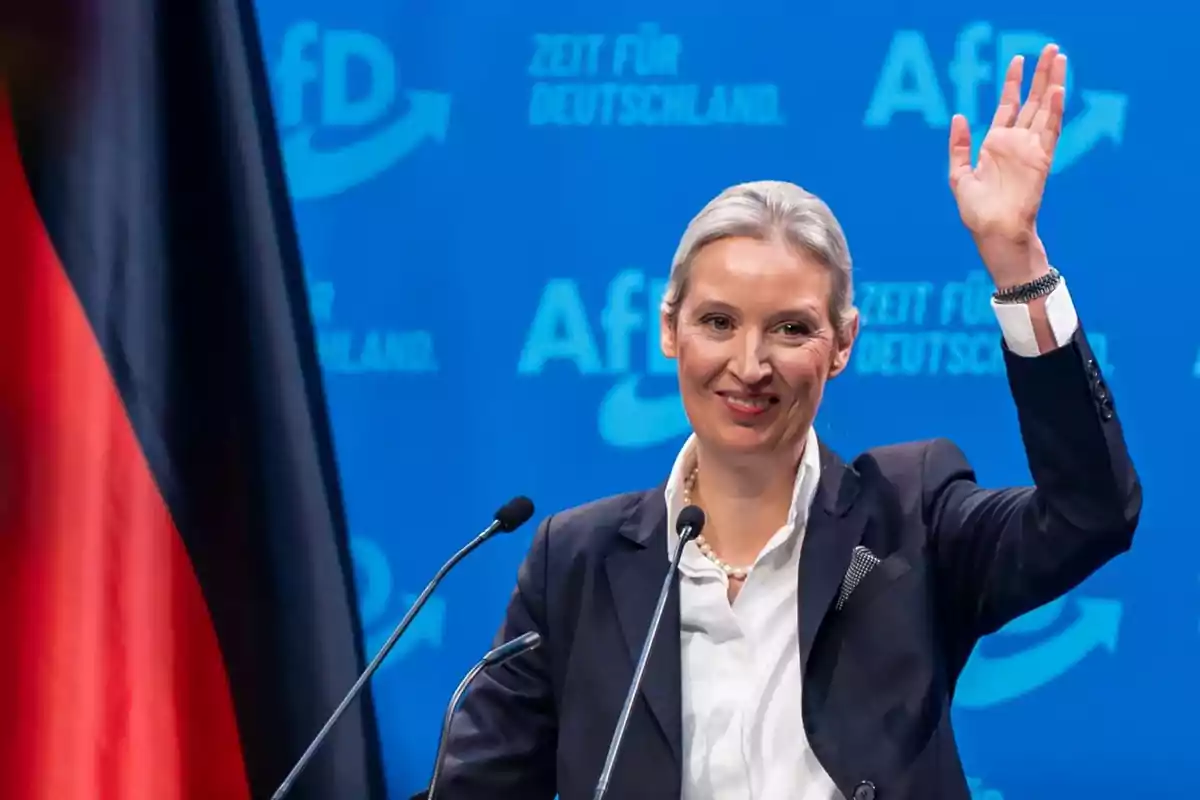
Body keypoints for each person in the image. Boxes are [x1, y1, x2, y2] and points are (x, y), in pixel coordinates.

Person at [420, 44, 1141, 800]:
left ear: (841, 345)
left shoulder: (910, 518)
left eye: (791, 330)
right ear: (670, 330)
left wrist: (1016, 261)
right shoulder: (577, 561)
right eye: (719, 322)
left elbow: (1090, 514)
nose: (749, 364)